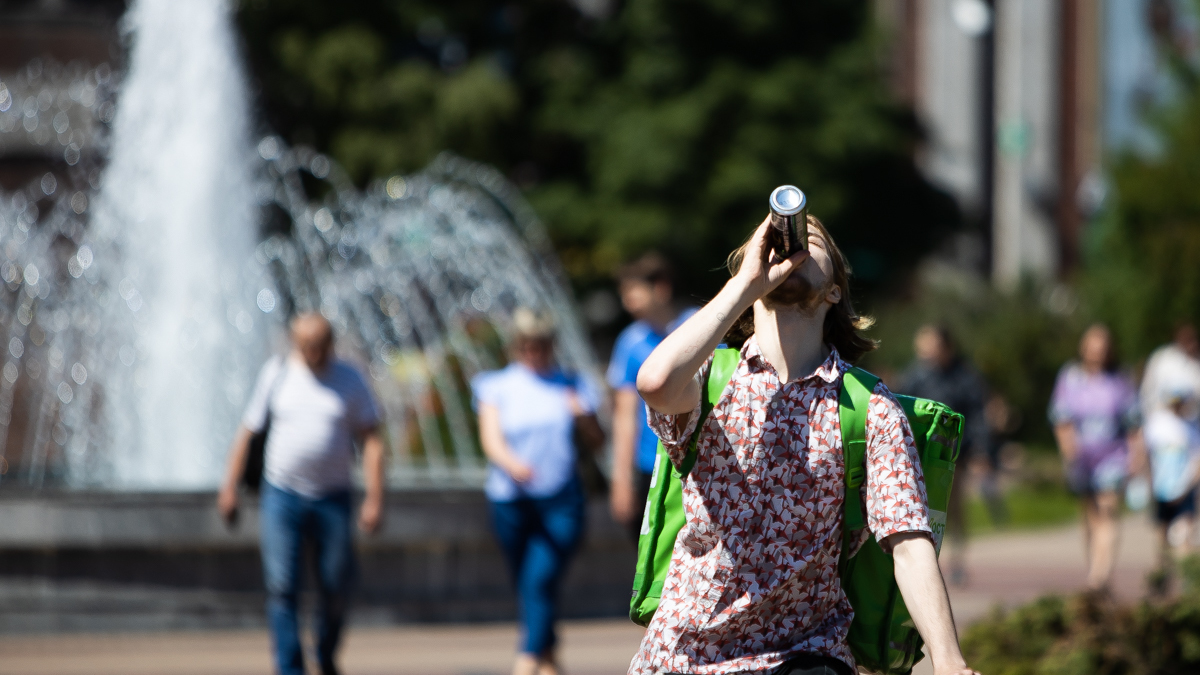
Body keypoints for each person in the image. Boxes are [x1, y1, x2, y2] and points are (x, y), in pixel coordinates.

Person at [632, 215, 978, 675]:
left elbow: (910, 542)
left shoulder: (868, 406)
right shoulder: (711, 380)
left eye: (808, 242)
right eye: (776, 242)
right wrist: (744, 286)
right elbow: (655, 383)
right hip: (683, 655)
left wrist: (949, 660)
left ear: (834, 289)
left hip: (804, 654)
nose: (790, 247)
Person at [217, 313, 386, 675]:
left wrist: (375, 498)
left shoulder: (350, 378)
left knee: (337, 584)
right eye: (306, 345)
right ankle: (290, 667)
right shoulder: (276, 374)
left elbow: (371, 441)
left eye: (321, 345)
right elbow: (247, 432)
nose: (313, 352)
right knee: (282, 586)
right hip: (282, 495)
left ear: (331, 344)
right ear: (295, 343)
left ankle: (325, 652)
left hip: (334, 497)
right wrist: (228, 486)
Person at [473, 308, 605, 675]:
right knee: (529, 584)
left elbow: (599, 442)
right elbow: (490, 438)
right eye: (528, 345)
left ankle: (526, 660)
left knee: (540, 577)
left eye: (543, 345)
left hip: (560, 499)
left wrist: (583, 417)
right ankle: (548, 658)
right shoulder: (495, 385)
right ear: (517, 346)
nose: (536, 351)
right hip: (510, 499)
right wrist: (510, 462)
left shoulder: (572, 383)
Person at [1048, 323, 1144, 592]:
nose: (1097, 353)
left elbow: (1133, 420)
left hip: (1113, 456)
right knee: (1090, 515)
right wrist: (1068, 450)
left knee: (1109, 510)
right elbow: (1061, 417)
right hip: (1082, 458)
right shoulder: (1071, 377)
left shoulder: (1120, 381)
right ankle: (1095, 567)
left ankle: (1100, 577)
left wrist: (1137, 455)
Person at [606, 253, 696, 538]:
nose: (626, 302)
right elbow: (624, 415)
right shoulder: (630, 342)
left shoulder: (698, 327)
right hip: (652, 464)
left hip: (698, 460)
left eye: (633, 292)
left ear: (660, 288)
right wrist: (621, 479)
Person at [898, 325, 989, 585]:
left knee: (953, 510)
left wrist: (982, 451)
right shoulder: (916, 375)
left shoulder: (965, 377)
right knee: (920, 510)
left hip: (953, 456)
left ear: (946, 347)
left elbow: (978, 416)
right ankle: (926, 564)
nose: (925, 352)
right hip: (919, 455)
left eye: (931, 346)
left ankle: (958, 561)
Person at [1143, 390, 1200, 571]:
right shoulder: (1157, 424)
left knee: (1184, 534)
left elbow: (1197, 460)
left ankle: (1185, 581)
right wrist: (1149, 482)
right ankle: (1161, 575)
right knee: (1162, 535)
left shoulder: (1191, 426)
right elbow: (1146, 455)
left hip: (1185, 488)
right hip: (1161, 488)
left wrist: (1189, 486)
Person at [1141, 324, 1200, 421]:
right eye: (1187, 339)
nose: (1191, 344)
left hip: (1192, 425)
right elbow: (1148, 391)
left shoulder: (1196, 366)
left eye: (1193, 339)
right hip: (1163, 421)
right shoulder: (1163, 359)